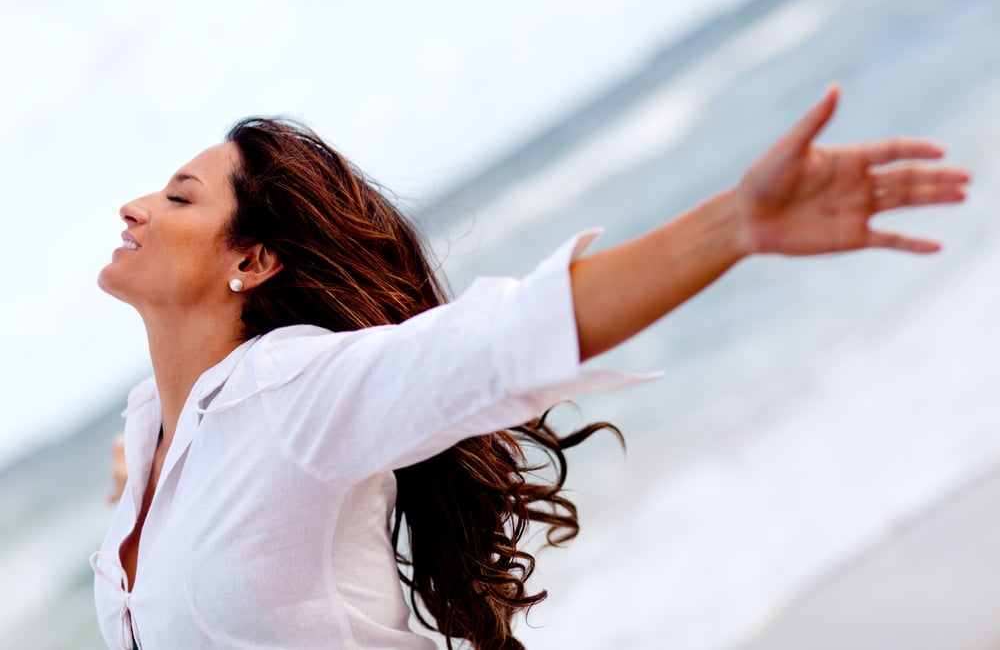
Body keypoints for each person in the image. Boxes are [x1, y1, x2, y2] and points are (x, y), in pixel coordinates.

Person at [91, 85, 969, 650]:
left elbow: (503, 342)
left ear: (254, 260)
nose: (135, 206)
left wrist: (733, 227)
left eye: (178, 196)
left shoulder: (296, 392)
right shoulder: (150, 436)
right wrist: (145, 484)